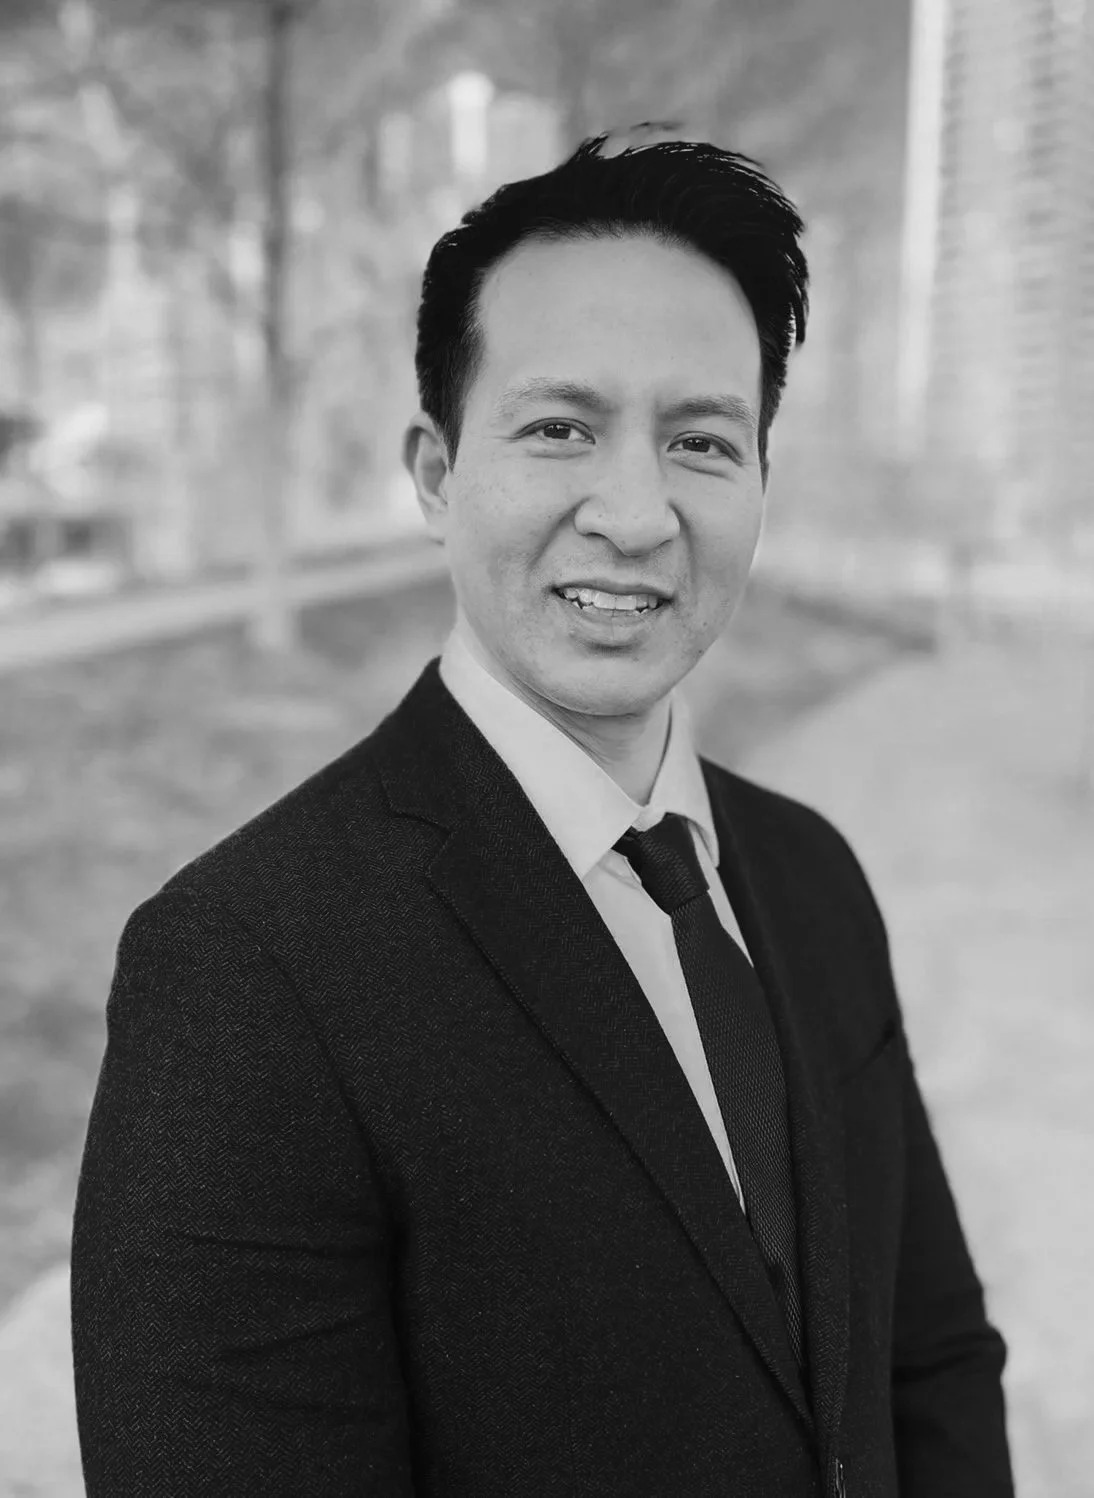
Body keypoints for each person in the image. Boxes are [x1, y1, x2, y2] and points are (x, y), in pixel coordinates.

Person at [70, 128, 1015, 1497]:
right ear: (436, 472)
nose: (634, 513)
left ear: (759, 483)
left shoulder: (813, 875)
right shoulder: (244, 971)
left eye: (700, 441)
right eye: (560, 427)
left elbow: (928, 1359)